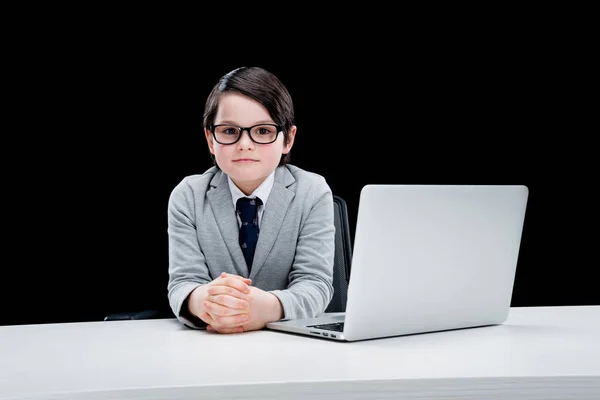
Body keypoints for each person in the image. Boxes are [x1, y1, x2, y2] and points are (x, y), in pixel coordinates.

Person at [167, 66, 335, 334]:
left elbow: (315, 284)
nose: (245, 144)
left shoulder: (312, 191)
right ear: (211, 139)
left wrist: (267, 308)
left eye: (263, 131)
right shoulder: (188, 196)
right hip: (211, 345)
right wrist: (206, 302)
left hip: (292, 346)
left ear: (287, 139)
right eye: (230, 131)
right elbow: (183, 283)